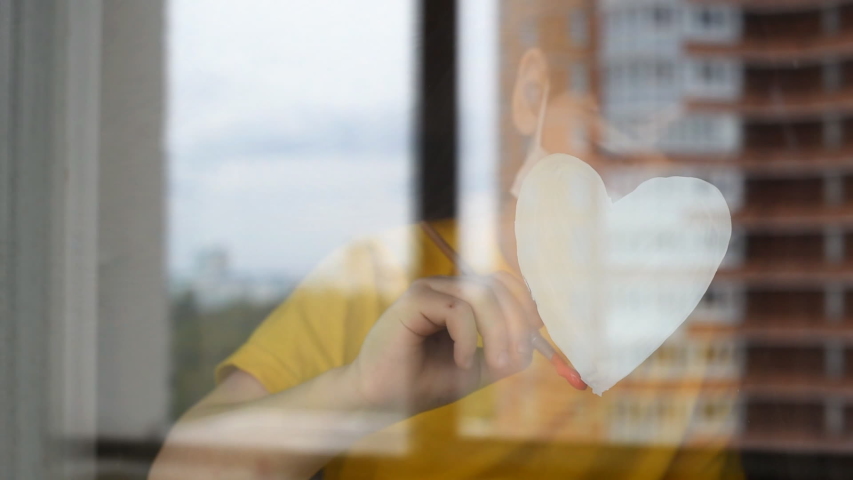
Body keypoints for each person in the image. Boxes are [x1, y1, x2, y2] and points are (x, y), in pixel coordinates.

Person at [149, 9, 744, 480]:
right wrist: (361, 393)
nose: (643, 173)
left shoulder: (683, 331)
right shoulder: (381, 279)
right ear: (530, 98)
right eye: (607, 138)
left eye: (681, 157)